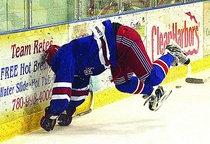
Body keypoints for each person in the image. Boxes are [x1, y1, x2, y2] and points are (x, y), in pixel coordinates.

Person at [40, 19, 190, 131]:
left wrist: (51, 115)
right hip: (116, 55)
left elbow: (61, 94)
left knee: (152, 77)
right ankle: (153, 92)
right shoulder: (75, 65)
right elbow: (79, 92)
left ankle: (170, 53)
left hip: (124, 41)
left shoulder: (65, 57)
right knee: (123, 84)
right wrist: (69, 110)